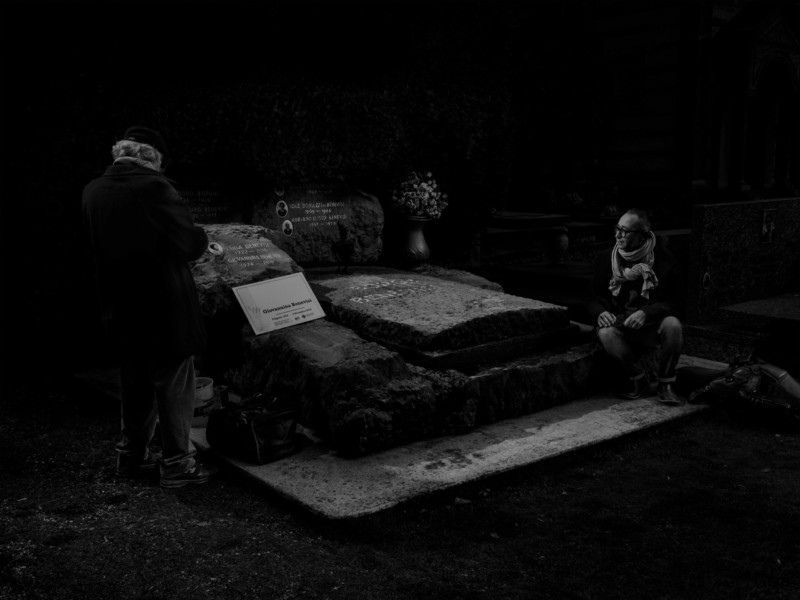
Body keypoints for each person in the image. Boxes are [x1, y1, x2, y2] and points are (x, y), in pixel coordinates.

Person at [82, 126, 217, 488]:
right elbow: (189, 244)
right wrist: (202, 235)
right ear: (152, 157)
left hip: (120, 305)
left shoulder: (92, 191)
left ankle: (131, 457)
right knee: (174, 383)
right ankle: (177, 464)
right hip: (164, 307)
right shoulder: (156, 188)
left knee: (134, 382)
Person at [585, 208, 685, 405]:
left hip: (651, 325)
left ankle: (666, 383)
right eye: (617, 228)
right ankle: (638, 379)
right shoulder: (607, 258)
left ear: (642, 236)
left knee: (673, 325)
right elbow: (591, 297)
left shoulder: (665, 260)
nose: (618, 235)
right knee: (605, 333)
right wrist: (600, 312)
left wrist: (647, 313)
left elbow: (678, 302)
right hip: (620, 322)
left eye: (625, 231)